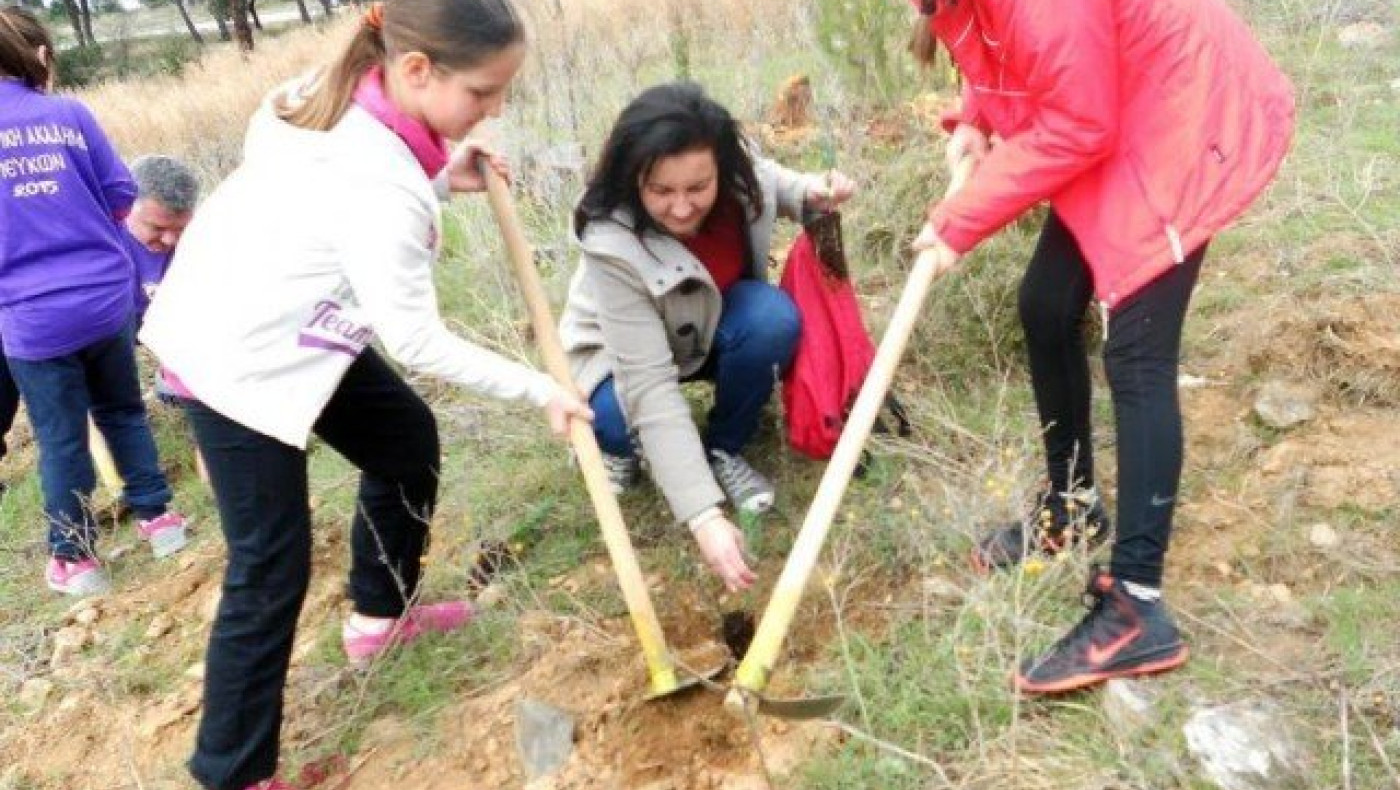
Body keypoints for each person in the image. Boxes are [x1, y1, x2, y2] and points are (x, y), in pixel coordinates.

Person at [137, 1, 590, 787]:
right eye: (484, 92)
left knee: (403, 442)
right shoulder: (378, 182)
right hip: (231, 357)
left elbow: (340, 194)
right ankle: (233, 772)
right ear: (416, 69)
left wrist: (444, 174)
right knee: (270, 564)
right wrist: (541, 387)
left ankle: (380, 618)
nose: (496, 109)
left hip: (292, 320)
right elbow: (416, 337)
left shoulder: (318, 90)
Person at [906, 0, 1294, 694]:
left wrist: (956, 224)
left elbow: (1079, 120)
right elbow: (1009, 42)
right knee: (1047, 304)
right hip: (1119, 97)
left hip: (1180, 110)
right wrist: (976, 119)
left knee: (1137, 354)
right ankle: (1072, 504)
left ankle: (1137, 607)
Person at [559, 81, 856, 593]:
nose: (680, 208)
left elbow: (773, 183)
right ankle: (626, 451)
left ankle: (724, 448)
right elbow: (649, 382)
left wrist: (809, 190)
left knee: (772, 322)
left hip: (710, 328)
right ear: (634, 179)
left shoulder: (739, 176)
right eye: (661, 191)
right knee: (613, 421)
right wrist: (703, 515)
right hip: (621, 355)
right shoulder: (610, 239)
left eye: (697, 189)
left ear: (720, 169)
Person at [0, 6, 191, 597]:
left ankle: (75, 559)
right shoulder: (67, 114)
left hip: (32, 316)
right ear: (37, 56)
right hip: (107, 297)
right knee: (124, 412)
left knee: (60, 439)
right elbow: (120, 196)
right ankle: (160, 522)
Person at [124, 154, 199, 328]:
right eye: (157, 228)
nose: (170, 240)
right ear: (125, 207)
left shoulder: (203, 242)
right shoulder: (97, 248)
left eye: (181, 229)